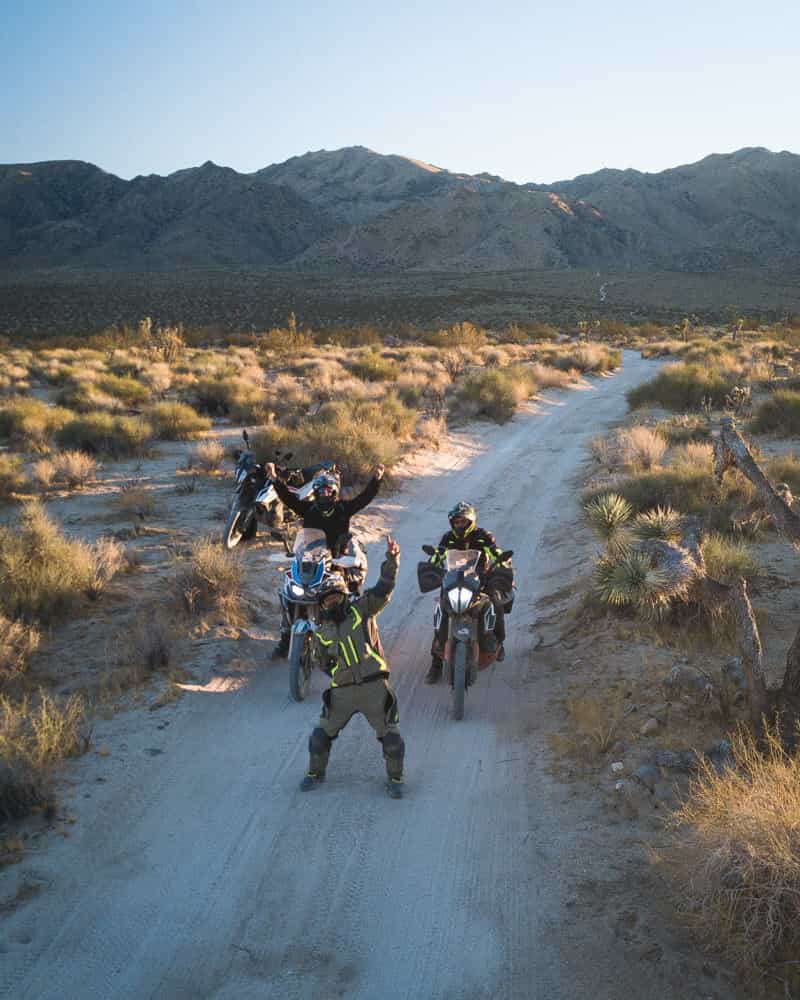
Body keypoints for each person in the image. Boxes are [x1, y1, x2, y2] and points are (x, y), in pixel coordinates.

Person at [300, 534, 405, 799]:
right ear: (321, 603)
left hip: (374, 687)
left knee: (391, 740)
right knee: (319, 737)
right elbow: (320, 660)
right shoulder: (322, 630)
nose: (331, 601)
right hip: (343, 691)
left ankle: (396, 780)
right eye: (327, 599)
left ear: (343, 595)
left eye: (335, 596)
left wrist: (392, 559)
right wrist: (337, 673)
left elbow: (384, 588)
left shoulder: (362, 609)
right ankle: (315, 773)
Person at [265, 462, 385, 658]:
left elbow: (364, 499)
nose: (324, 494)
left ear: (335, 492)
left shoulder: (343, 509)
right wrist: (273, 478)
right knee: (291, 593)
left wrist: (376, 480)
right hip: (312, 559)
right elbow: (287, 498)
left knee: (348, 595)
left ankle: (359, 640)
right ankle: (286, 640)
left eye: (328, 490)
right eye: (321, 490)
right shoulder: (309, 509)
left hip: (337, 560)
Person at [425, 501, 511, 684]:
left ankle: (499, 643)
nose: (459, 525)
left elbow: (495, 551)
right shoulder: (448, 538)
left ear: (470, 521)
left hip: (480, 580)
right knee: (441, 610)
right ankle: (436, 663)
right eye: (456, 522)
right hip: (453, 580)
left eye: (462, 521)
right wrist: (431, 561)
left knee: (496, 602)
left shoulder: (482, 536)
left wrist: (503, 562)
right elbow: (439, 554)